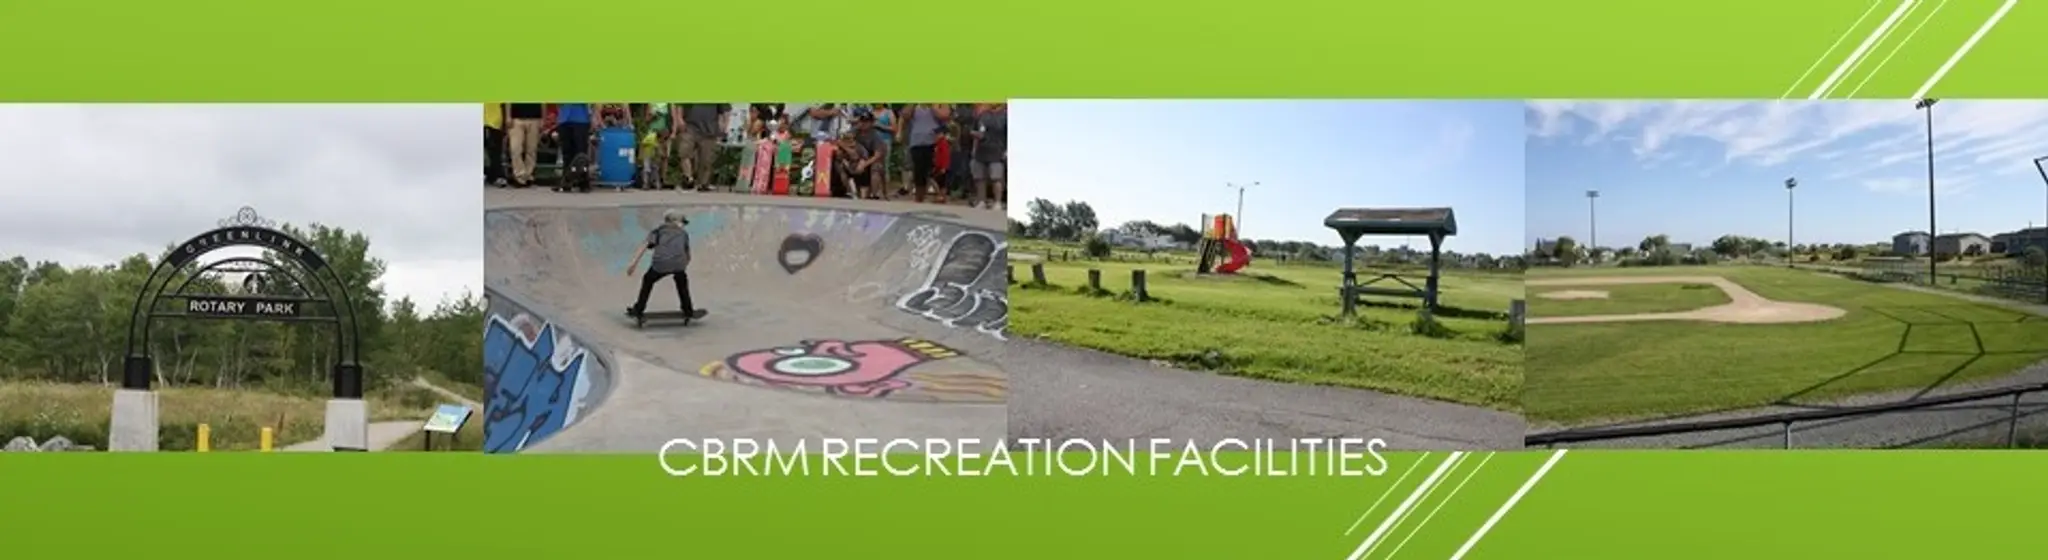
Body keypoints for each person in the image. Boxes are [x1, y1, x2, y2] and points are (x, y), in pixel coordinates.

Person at [626, 209, 698, 324]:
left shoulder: (658, 232)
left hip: (660, 264)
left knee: (648, 280)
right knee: (681, 281)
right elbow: (688, 253)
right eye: (682, 223)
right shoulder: (683, 234)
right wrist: (683, 264)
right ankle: (688, 310)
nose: (683, 225)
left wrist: (633, 264)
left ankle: (638, 309)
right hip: (679, 264)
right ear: (675, 221)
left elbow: (644, 246)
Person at [897, 104, 951, 200]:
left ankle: (940, 195)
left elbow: (945, 116)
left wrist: (933, 106)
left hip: (934, 142)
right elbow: (905, 116)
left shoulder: (939, 103)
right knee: (919, 172)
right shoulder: (914, 106)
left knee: (936, 170)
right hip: (917, 142)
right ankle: (919, 197)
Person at [677, 104, 729, 191]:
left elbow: (725, 111)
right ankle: (688, 178)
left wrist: (724, 126)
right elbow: (680, 105)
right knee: (684, 152)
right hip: (690, 127)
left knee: (706, 160)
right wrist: (679, 119)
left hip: (709, 131)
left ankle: (703, 183)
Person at [969, 103, 1008, 210]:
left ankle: (998, 202)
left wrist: (1007, 150)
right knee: (980, 178)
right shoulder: (982, 115)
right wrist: (974, 145)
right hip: (981, 150)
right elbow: (974, 130)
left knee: (996, 178)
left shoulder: (1006, 116)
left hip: (997, 150)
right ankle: (981, 201)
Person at [554, 103, 595, 193]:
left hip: (581, 119)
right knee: (566, 153)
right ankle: (566, 182)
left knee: (581, 153)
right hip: (564, 119)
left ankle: (583, 182)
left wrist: (591, 118)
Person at [506, 103, 545, 187]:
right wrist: (508, 116)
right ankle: (519, 175)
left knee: (531, 149)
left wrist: (543, 119)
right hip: (516, 118)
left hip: (534, 118)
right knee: (515, 148)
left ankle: (528, 176)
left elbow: (543, 101)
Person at [484, 103, 508, 187]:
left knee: (495, 151)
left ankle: (498, 176)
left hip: (495, 123)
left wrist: (504, 124)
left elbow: (503, 106)